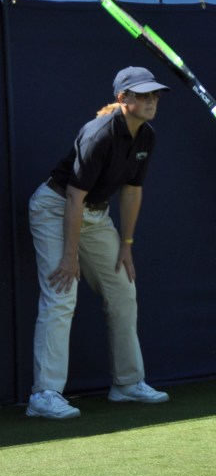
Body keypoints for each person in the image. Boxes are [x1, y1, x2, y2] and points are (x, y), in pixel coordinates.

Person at [25, 67, 172, 419]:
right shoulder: (98, 134)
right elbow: (74, 197)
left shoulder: (147, 136)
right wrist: (69, 256)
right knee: (62, 294)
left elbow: (132, 191)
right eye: (143, 95)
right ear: (123, 98)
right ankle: (44, 395)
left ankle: (127, 384)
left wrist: (126, 244)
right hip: (56, 208)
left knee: (123, 289)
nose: (152, 100)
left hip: (95, 215)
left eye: (155, 94)